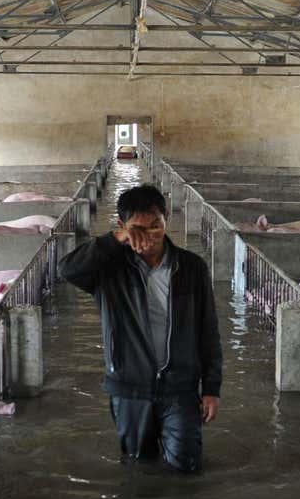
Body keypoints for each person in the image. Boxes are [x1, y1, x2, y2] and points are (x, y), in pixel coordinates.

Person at [59, 184, 222, 472]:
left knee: (186, 466)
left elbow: (208, 330)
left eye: (156, 225)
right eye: (137, 228)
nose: (150, 235)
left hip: (181, 388)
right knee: (138, 467)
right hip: (129, 387)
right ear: (122, 227)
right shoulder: (108, 269)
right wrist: (114, 241)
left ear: (166, 219)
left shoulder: (192, 267)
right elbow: (67, 269)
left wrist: (211, 388)